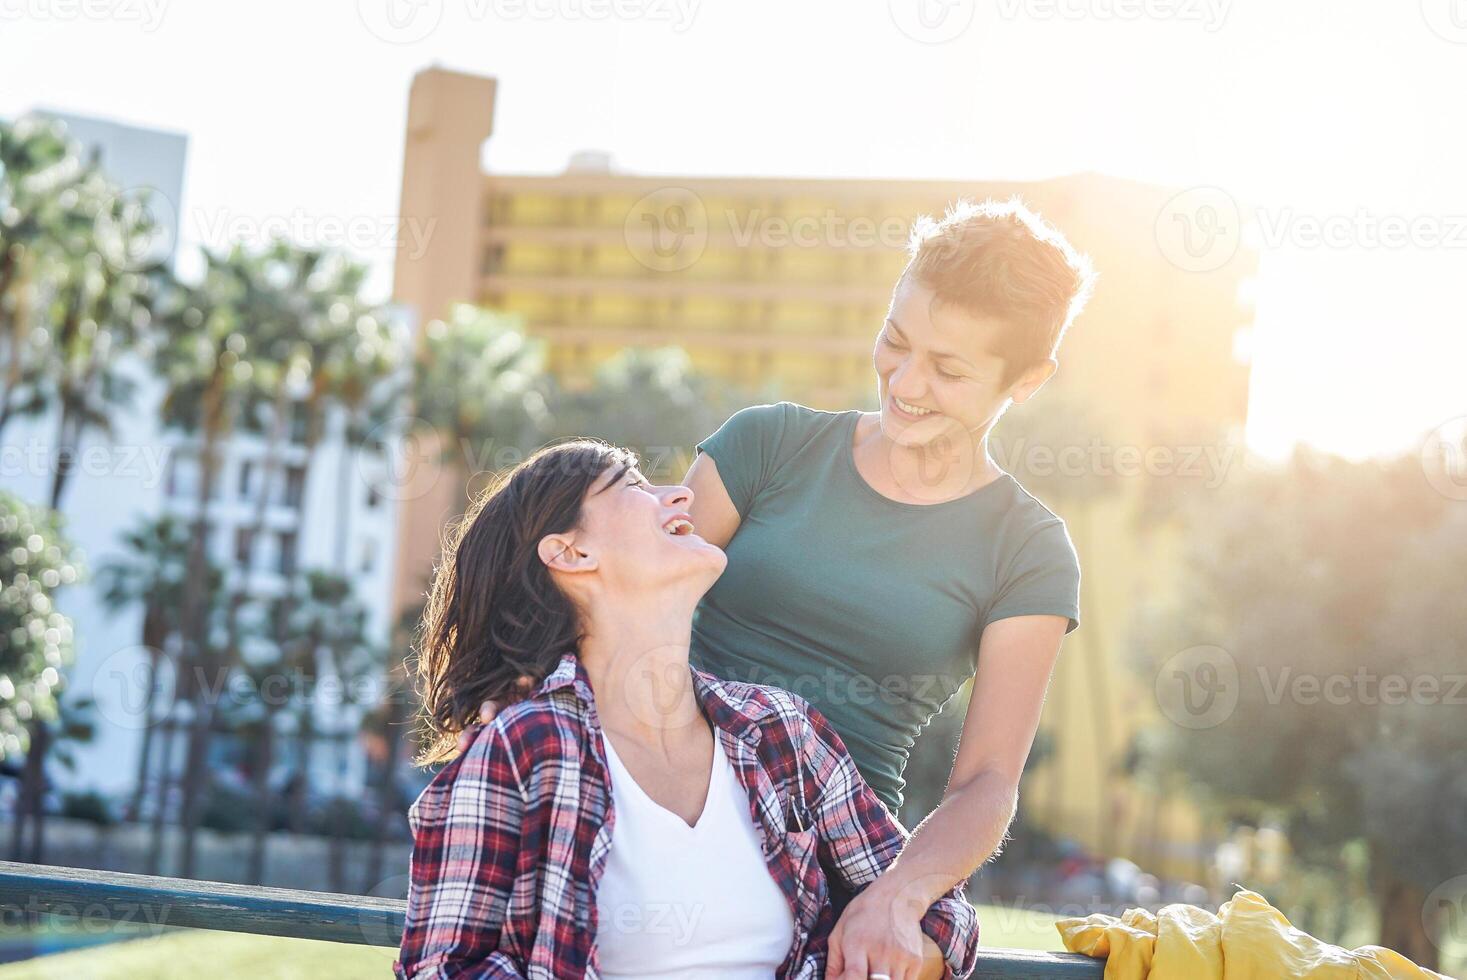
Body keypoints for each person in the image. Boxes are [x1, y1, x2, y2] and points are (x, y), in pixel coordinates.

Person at [463, 197, 1096, 977]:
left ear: (1026, 381)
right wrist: (521, 692)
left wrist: (894, 896)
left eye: (949, 369)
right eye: (895, 341)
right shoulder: (768, 445)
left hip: (836, 841)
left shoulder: (1027, 550)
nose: (904, 381)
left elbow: (986, 782)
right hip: (660, 803)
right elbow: (631, 587)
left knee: (931, 950)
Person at [395, 440, 979, 979]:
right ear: (571, 553)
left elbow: (939, 910)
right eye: (631, 484)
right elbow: (441, 970)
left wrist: (890, 946)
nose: (679, 495)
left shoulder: (780, 733)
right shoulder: (522, 747)